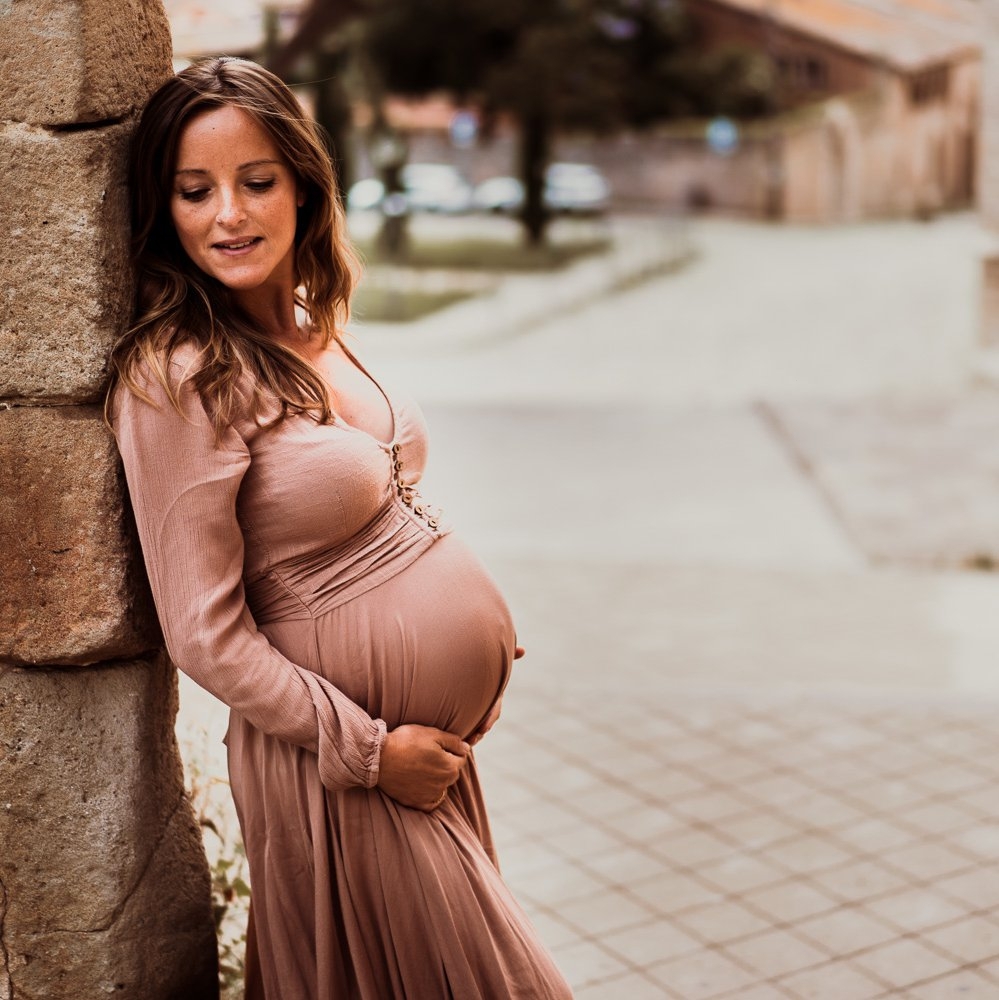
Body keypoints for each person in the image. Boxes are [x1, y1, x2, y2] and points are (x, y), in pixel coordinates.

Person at [106, 57, 572, 999]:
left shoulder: (316, 322)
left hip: (419, 756)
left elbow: (374, 495)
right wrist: (369, 751)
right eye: (194, 192)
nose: (228, 215)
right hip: (342, 770)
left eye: (256, 182)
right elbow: (203, 633)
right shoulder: (177, 377)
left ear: (305, 187)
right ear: (164, 211)